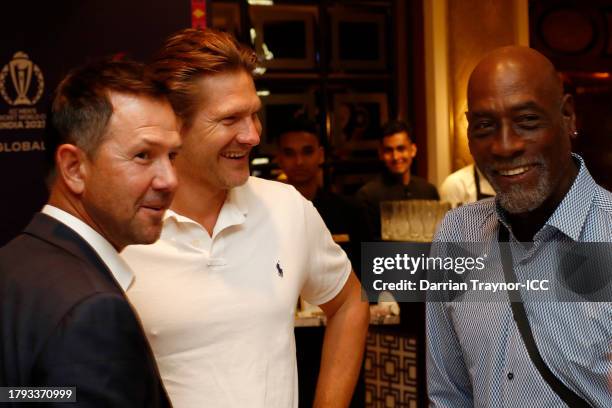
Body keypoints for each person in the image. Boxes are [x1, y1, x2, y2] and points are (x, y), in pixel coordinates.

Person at [121, 28, 369, 408]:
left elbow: (350, 303)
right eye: (230, 119)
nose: (252, 135)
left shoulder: (287, 207)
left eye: (254, 115)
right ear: (176, 126)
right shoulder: (120, 233)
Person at [427, 46, 612, 407]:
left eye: (527, 121)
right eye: (484, 126)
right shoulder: (457, 237)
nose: (505, 146)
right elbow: (448, 398)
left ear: (568, 117)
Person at [0, 59, 181, 406]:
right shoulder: (93, 311)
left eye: (172, 155)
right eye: (143, 155)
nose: (170, 179)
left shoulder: (14, 261)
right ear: (74, 168)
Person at [276, 116, 372, 274]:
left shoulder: (350, 211)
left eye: (307, 152)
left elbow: (372, 274)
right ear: (279, 159)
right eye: (289, 153)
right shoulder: (268, 214)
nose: (299, 161)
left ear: (320, 155)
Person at [356, 120, 439, 238]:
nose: (395, 157)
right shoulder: (367, 196)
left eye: (401, 149)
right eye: (388, 150)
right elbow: (366, 249)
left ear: (413, 150)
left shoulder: (428, 191)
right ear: (380, 154)